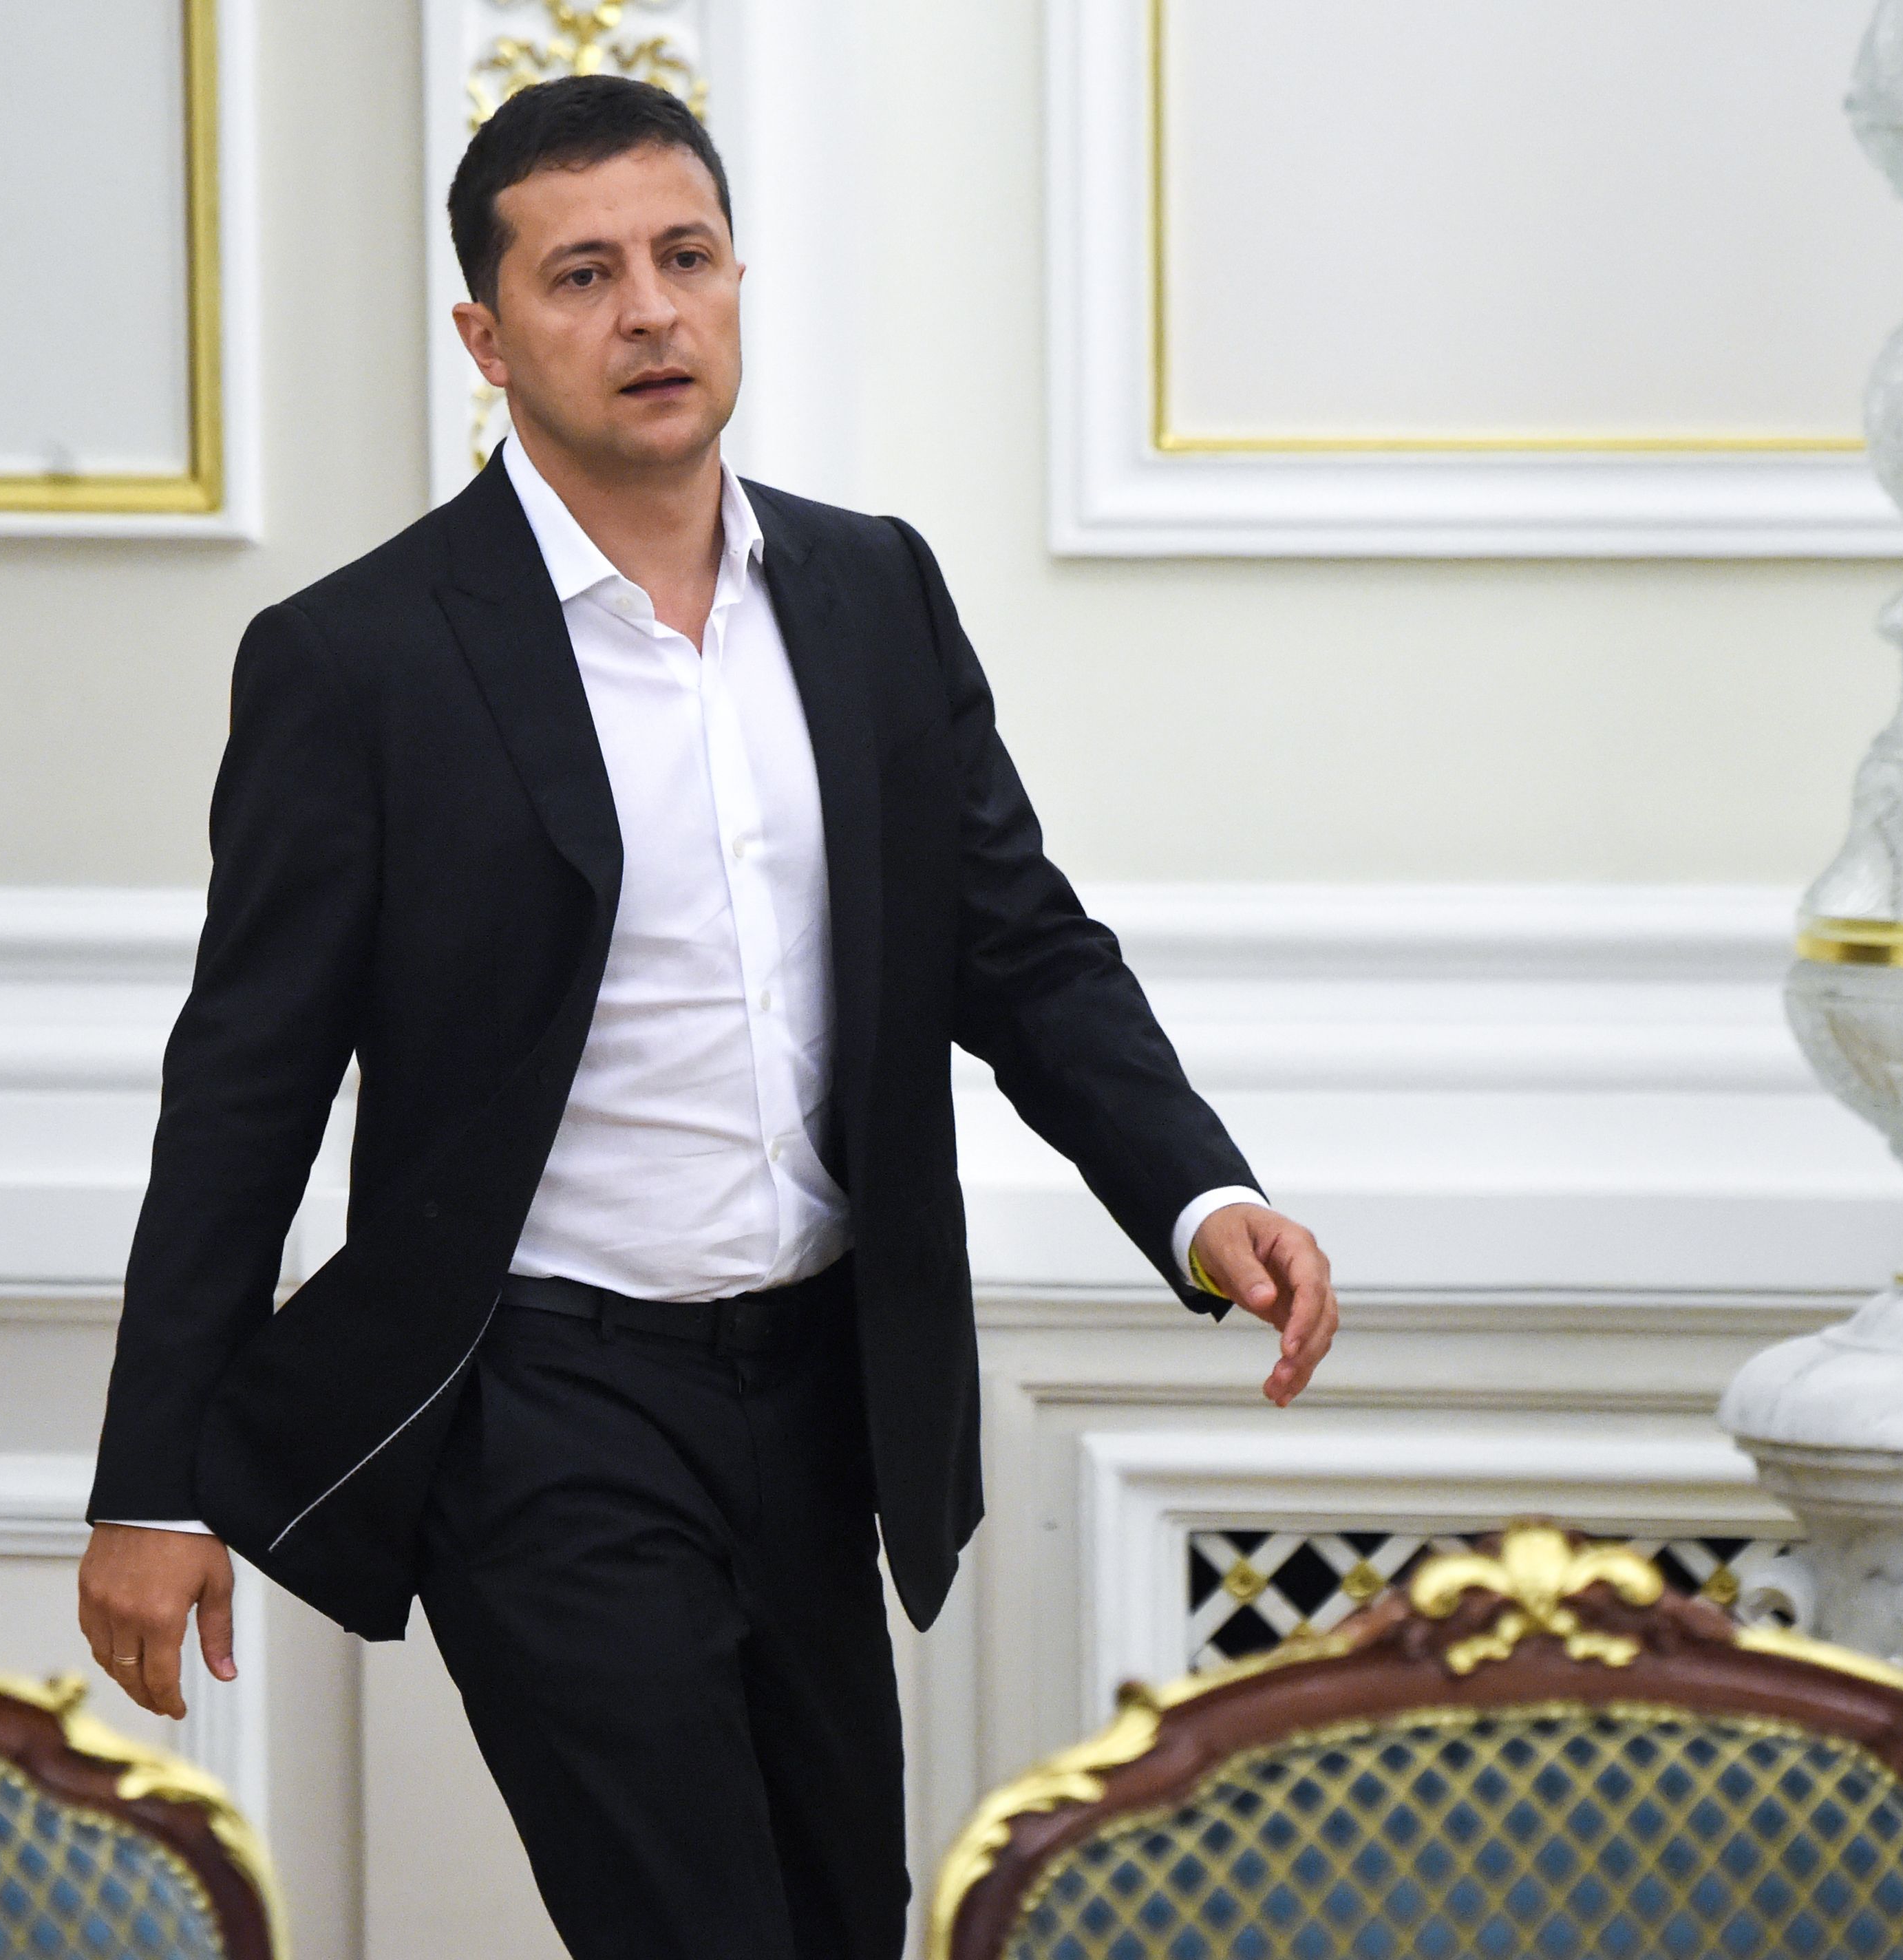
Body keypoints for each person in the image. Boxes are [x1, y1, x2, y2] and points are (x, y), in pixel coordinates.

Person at [76, 72, 1339, 1960]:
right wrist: (152, 1481)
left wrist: (1192, 1193)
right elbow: (244, 1091)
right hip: (543, 1408)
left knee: (841, 1916)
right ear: (487, 342)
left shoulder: (870, 592)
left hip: (828, 1389)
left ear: (738, 279)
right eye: (583, 277)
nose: (650, 312)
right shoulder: (360, 664)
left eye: (685, 258)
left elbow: (1019, 943)